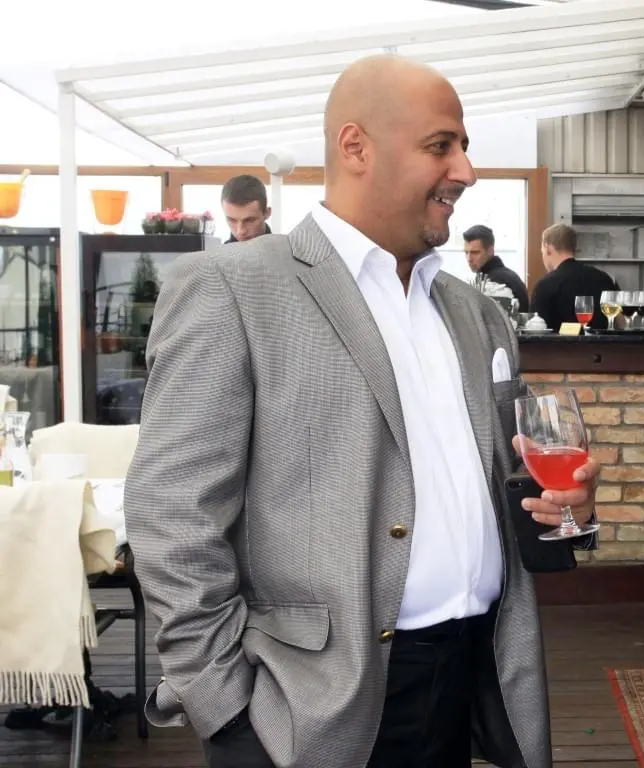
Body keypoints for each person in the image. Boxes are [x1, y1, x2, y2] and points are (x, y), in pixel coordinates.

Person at [124, 53, 600, 768]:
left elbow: (509, 491)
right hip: (307, 708)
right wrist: (225, 711)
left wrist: (566, 514)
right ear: (355, 147)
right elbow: (172, 514)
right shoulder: (232, 288)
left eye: (464, 147)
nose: (466, 171)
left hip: (472, 680)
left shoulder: (478, 314)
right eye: (441, 146)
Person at [529, 223, 618, 331]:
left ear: (548, 248)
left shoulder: (544, 286)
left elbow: (535, 330)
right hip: (604, 342)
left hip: (557, 342)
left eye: (542, 251)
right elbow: (619, 321)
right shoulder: (604, 279)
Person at [463, 224, 530, 310]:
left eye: (475, 252)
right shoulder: (503, 275)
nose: (469, 259)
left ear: (490, 251)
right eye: (466, 252)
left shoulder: (495, 282)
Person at [221, 174, 272, 242]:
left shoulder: (284, 248)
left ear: (267, 213)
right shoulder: (220, 249)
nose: (240, 231)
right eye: (232, 220)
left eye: (249, 220)